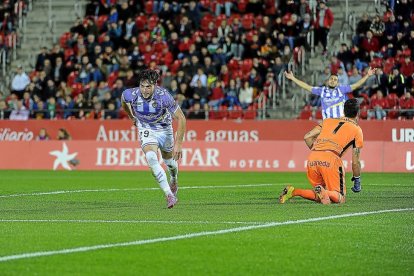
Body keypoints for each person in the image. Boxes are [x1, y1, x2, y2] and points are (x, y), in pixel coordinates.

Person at [121, 69, 186, 209]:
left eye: (148, 86)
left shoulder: (164, 97)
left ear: (155, 85)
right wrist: (131, 116)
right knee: (151, 157)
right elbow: (123, 101)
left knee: (170, 163)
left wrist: (178, 144)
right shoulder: (130, 94)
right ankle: (169, 195)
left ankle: (174, 178)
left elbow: (181, 118)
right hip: (146, 129)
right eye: (142, 86)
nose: (145, 90)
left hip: (164, 129)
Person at [279, 98, 363, 205]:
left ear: (344, 110)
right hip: (331, 158)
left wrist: (319, 152)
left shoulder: (328, 121)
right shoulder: (357, 130)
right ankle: (323, 191)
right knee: (340, 198)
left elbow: (307, 137)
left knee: (321, 196)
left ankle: (294, 191)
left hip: (313, 157)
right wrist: (357, 179)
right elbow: (355, 162)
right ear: (358, 113)